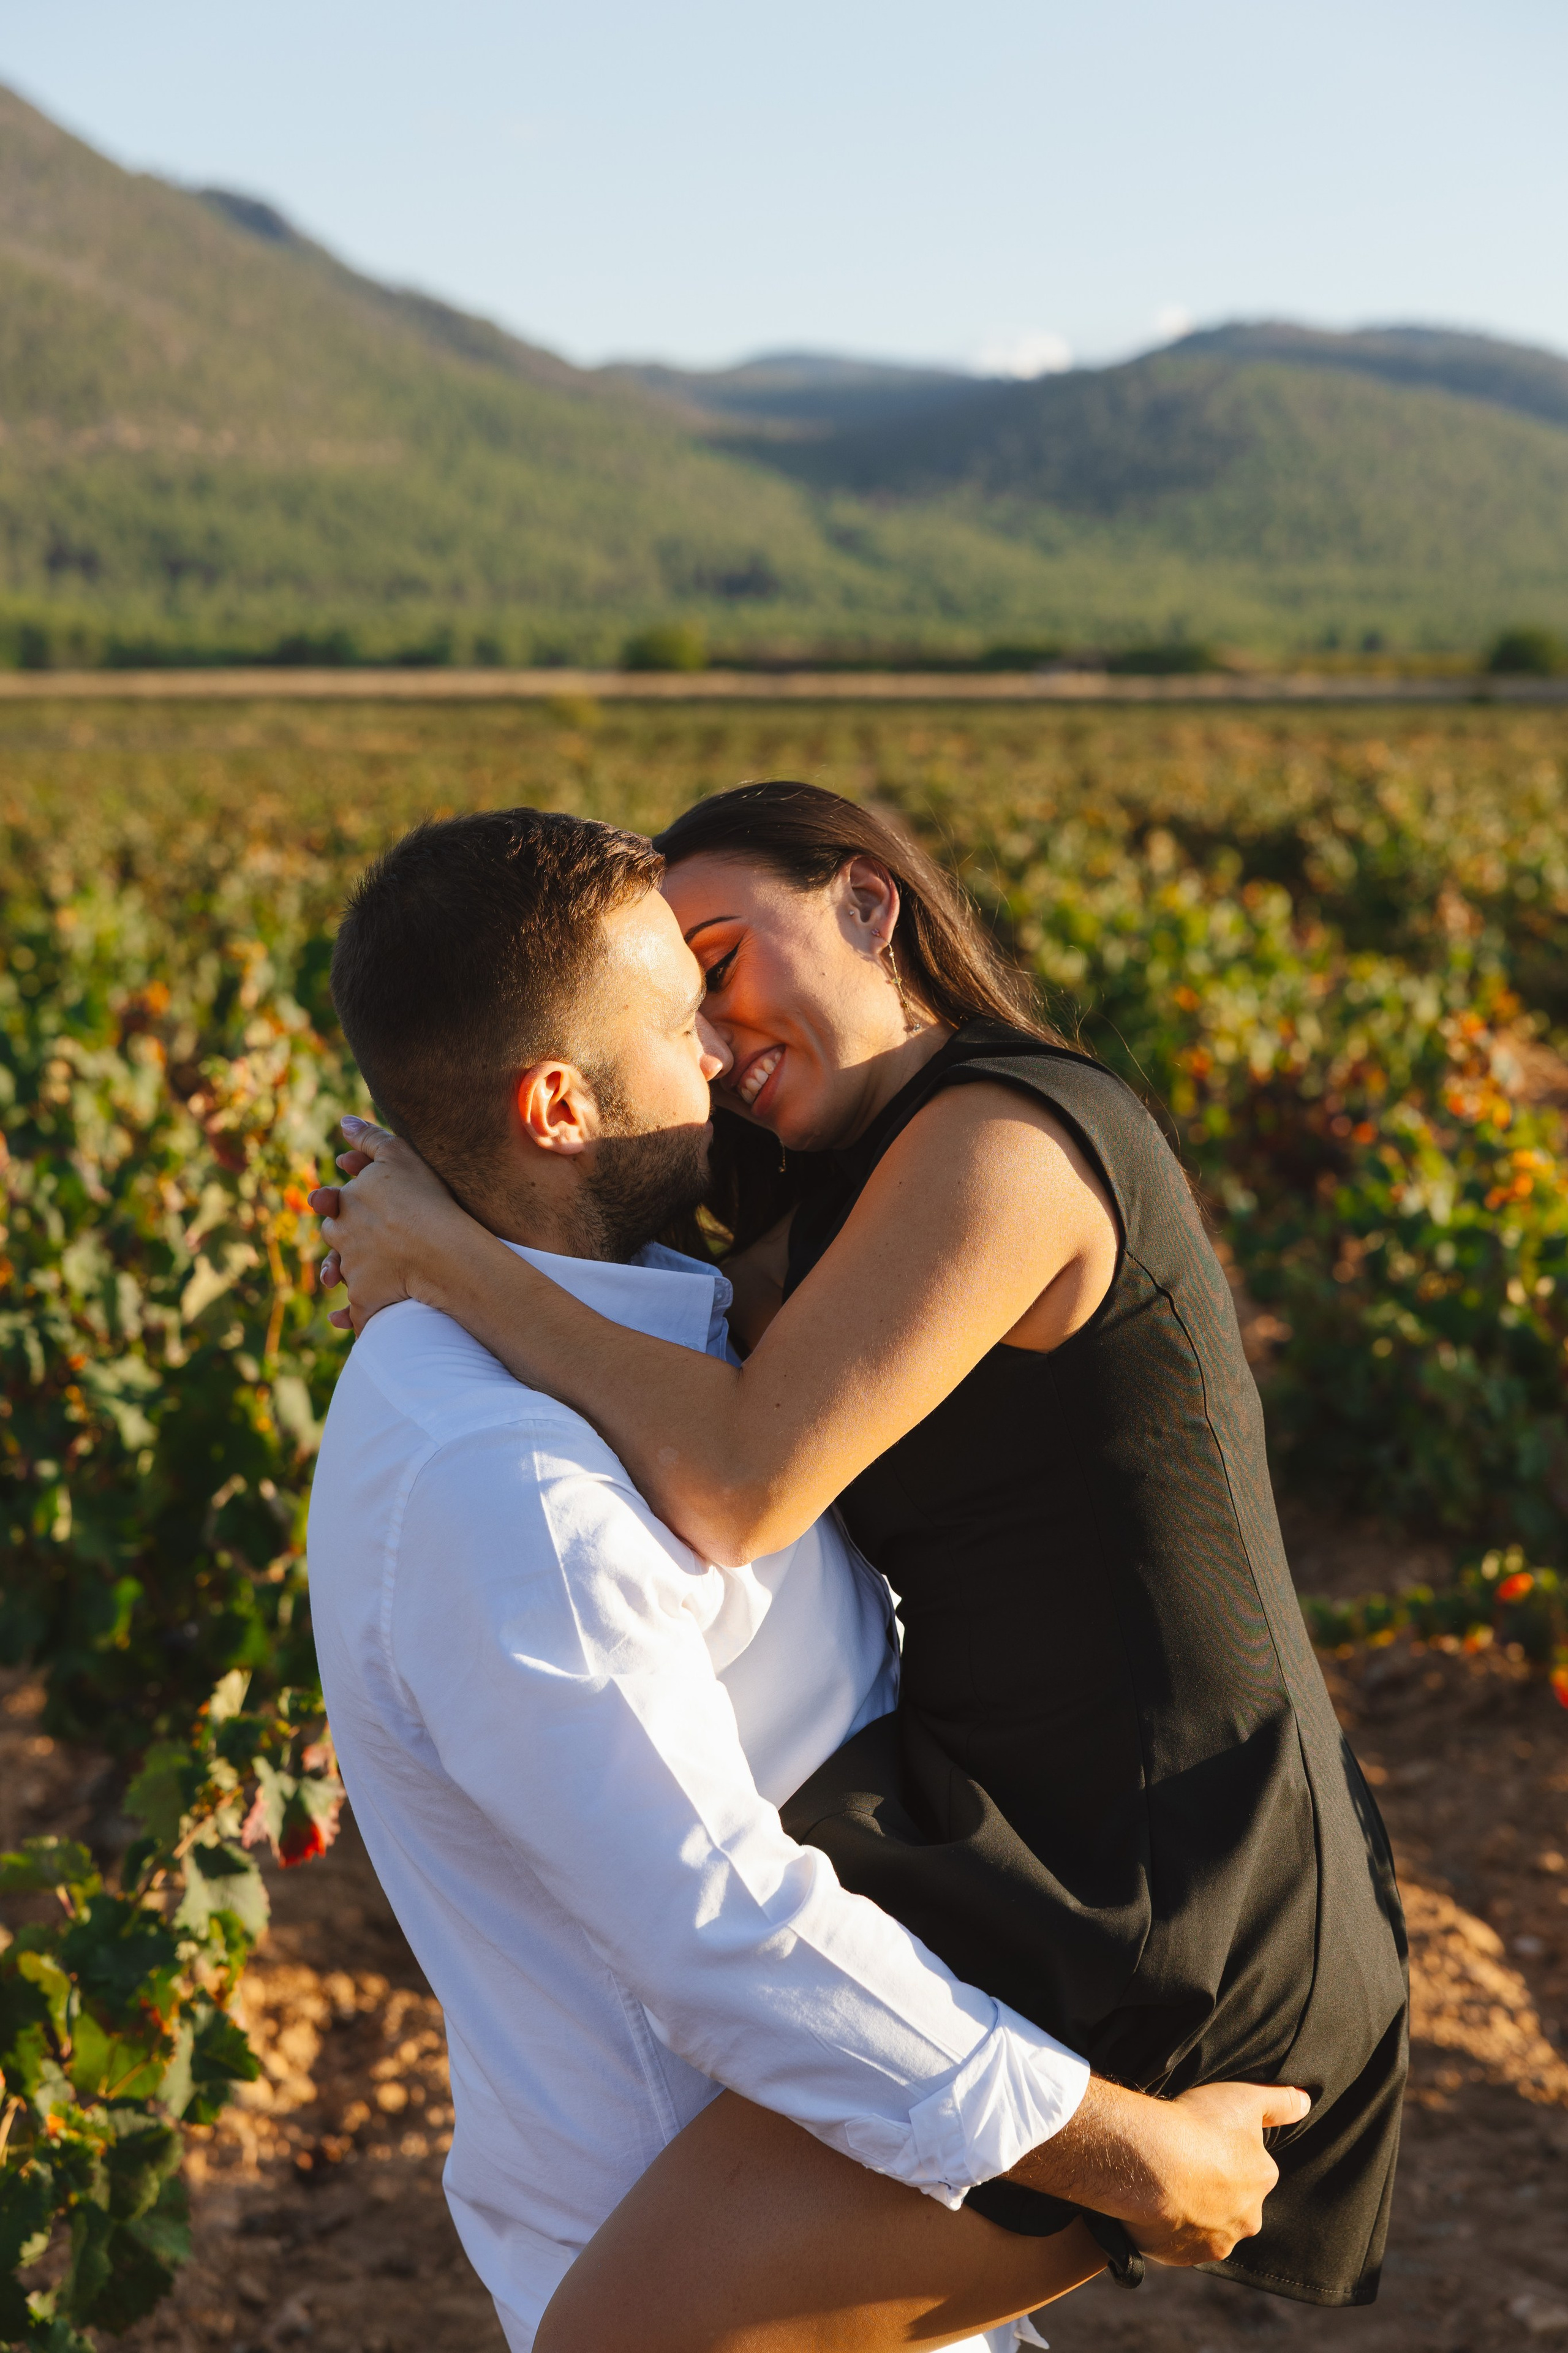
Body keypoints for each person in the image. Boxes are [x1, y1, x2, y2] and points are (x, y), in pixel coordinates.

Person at [306, 806, 1305, 2353]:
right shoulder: (501, 1476)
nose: (714, 1051)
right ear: (559, 1105)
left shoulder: (679, 1325)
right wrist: (1115, 2147)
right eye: (676, 1012)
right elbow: (725, 1932)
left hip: (877, 2160)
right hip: (711, 2250)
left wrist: (446, 1255)